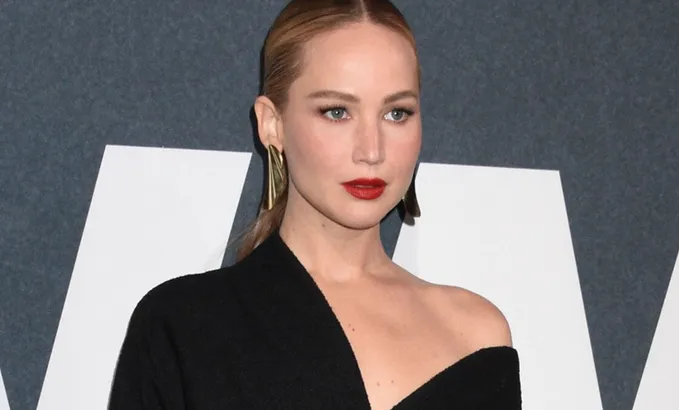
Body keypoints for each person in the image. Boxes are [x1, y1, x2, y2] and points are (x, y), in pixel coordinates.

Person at [108, 0, 522, 409]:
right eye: (337, 112)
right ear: (272, 123)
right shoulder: (183, 328)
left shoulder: (476, 336)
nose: (372, 151)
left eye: (396, 113)